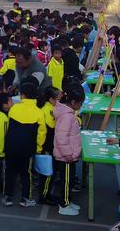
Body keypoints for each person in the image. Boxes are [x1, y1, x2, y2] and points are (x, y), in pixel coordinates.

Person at [3, 81, 46, 208]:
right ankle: (25, 198)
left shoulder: (14, 108)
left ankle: (8, 197)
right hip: (27, 149)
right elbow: (41, 134)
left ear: (22, 95)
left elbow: (8, 126)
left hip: (10, 146)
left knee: (9, 171)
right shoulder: (39, 112)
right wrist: (38, 148)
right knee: (25, 173)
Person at [54, 82, 85, 216]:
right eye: (80, 103)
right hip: (66, 156)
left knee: (69, 180)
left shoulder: (66, 113)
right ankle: (64, 205)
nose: (81, 106)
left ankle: (67, 200)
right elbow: (62, 138)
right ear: (73, 102)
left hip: (68, 156)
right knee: (66, 181)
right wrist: (69, 154)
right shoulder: (68, 117)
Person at [37, 86, 62, 206]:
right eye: (58, 99)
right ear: (51, 99)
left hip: (49, 145)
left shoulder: (50, 107)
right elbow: (52, 126)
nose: (60, 101)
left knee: (49, 171)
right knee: (48, 172)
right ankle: (44, 196)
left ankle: (45, 192)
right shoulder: (48, 110)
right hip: (47, 146)